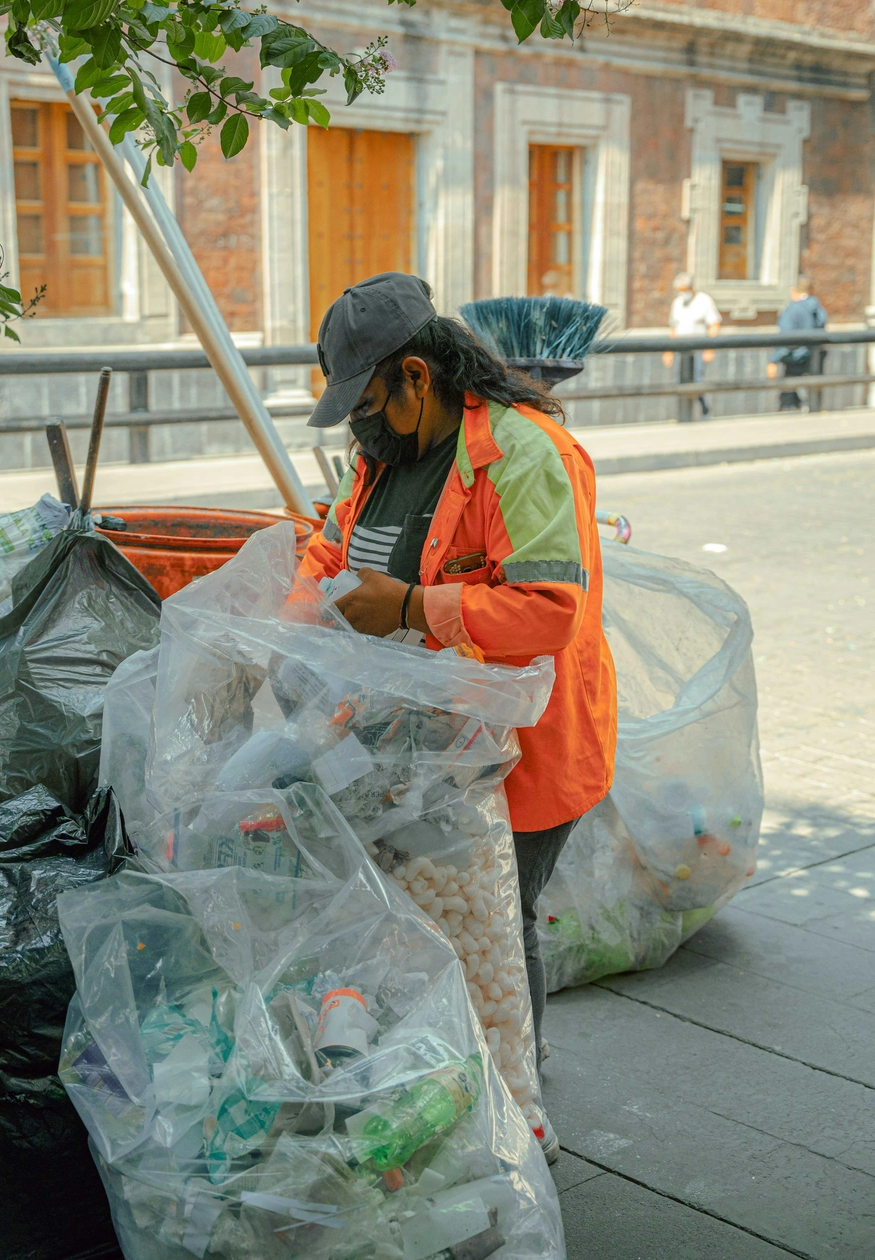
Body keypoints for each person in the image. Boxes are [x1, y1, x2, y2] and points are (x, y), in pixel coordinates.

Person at [298, 272, 618, 1165]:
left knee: (499, 924)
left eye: (367, 404)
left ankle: (518, 1108)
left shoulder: (523, 455)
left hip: (523, 747)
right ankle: (436, 1084)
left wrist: (410, 608)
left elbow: (551, 610)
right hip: (419, 742)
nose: (359, 428)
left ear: (416, 376)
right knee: (424, 916)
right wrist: (279, 635)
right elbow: (329, 547)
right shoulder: (381, 456)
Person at [662, 272, 721, 417]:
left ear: (692, 287)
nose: (682, 293)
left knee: (696, 379)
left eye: (685, 290)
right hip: (680, 348)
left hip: (698, 348)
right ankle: (683, 414)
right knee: (679, 380)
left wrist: (709, 348)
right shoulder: (677, 303)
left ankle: (704, 410)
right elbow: (673, 328)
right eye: (680, 290)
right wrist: (669, 350)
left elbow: (714, 324)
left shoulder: (704, 301)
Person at [767, 275, 827, 410]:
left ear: (794, 290)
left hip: (794, 358)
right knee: (812, 398)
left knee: (788, 399)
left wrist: (774, 360)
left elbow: (786, 337)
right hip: (814, 357)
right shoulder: (817, 308)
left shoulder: (792, 309)